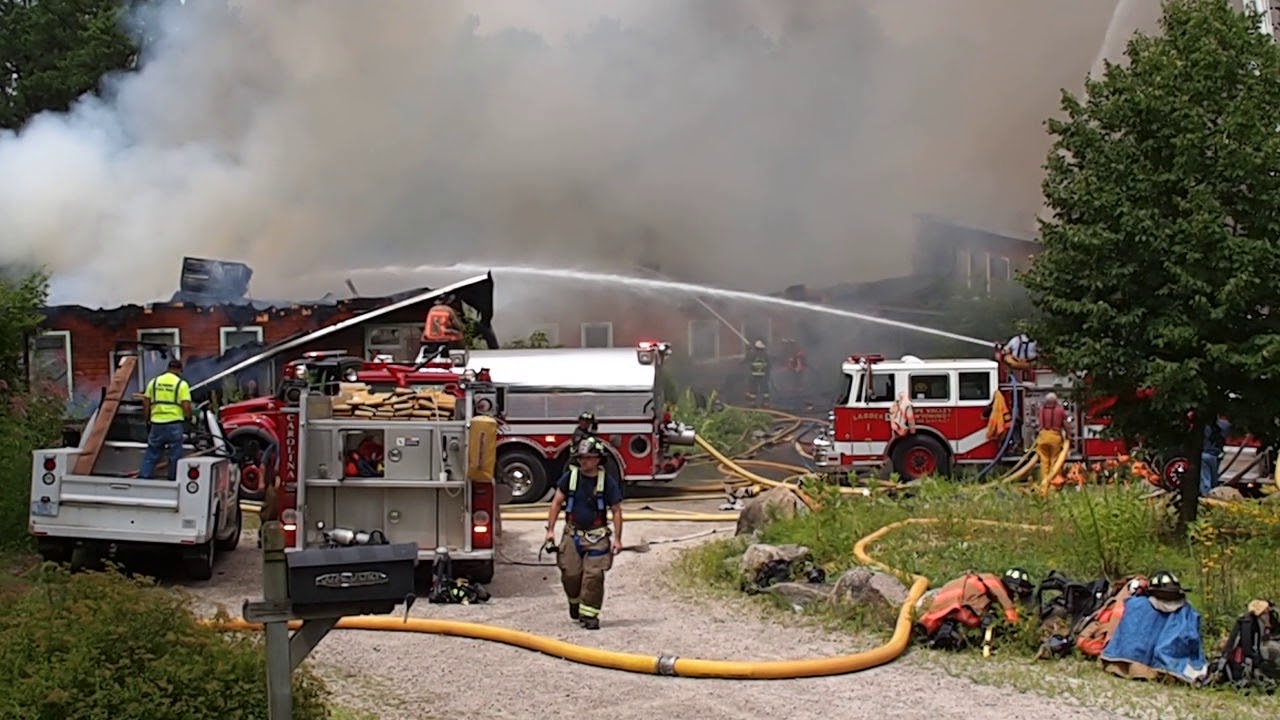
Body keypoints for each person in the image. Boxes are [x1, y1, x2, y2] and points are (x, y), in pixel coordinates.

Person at [544, 437, 624, 630]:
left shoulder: (608, 482)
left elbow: (616, 510)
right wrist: (551, 531)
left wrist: (618, 540)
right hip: (572, 534)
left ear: (598, 459)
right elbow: (556, 503)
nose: (584, 462)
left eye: (588, 458)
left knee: (593, 576)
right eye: (581, 458)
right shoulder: (570, 478)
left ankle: (590, 615)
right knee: (570, 574)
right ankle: (575, 601)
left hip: (597, 537)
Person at [139, 358, 193, 481]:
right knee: (175, 455)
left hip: (156, 424)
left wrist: (147, 419)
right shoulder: (181, 384)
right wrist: (189, 418)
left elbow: (146, 403)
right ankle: (173, 480)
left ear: (168, 368)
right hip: (174, 425)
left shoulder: (153, 382)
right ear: (179, 370)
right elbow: (186, 405)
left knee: (151, 454)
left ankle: (143, 478)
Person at [1036, 392, 1069, 486]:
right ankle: (1054, 484)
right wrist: (1068, 436)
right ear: (1055, 401)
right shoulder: (1060, 410)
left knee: (1044, 461)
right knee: (1055, 461)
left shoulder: (1041, 409)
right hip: (1055, 437)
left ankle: (1044, 483)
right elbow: (1065, 424)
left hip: (1042, 437)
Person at [420, 295, 465, 361]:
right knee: (458, 336)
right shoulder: (448, 310)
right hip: (443, 337)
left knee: (430, 354)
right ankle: (446, 357)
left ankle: (427, 357)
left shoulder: (432, 309)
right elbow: (458, 325)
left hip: (430, 338)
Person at [1201, 416, 1231, 496]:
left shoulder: (1202, 425)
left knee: (1206, 478)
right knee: (1213, 478)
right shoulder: (1225, 425)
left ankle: (1206, 495)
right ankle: (1211, 494)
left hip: (1205, 453)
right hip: (1216, 455)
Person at [745, 339, 771, 407]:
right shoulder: (766, 355)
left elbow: (747, 359)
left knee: (753, 389)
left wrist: (748, 349)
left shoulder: (752, 354)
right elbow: (769, 365)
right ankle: (766, 403)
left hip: (754, 375)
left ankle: (752, 403)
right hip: (764, 376)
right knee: (765, 389)